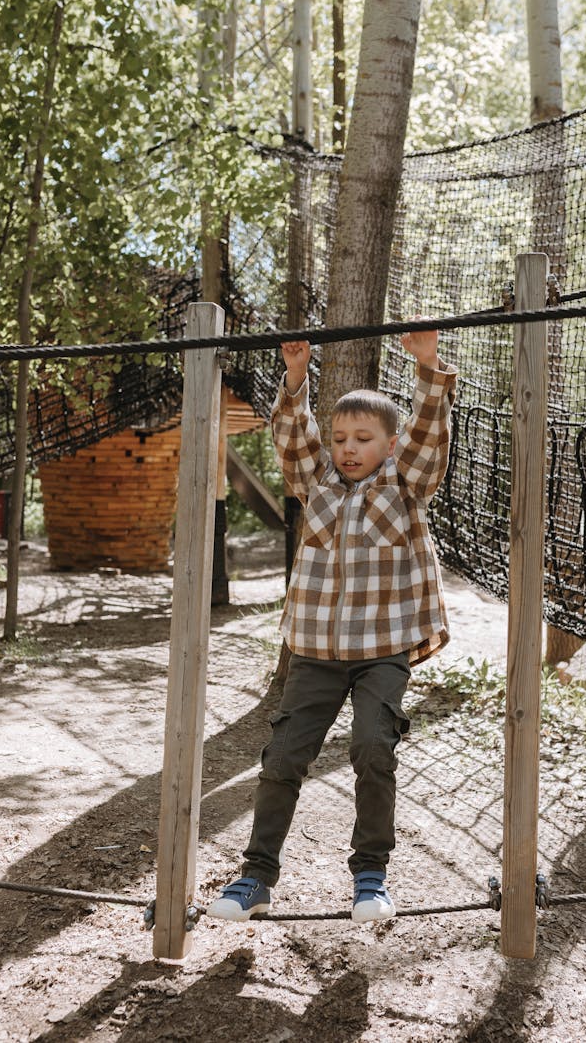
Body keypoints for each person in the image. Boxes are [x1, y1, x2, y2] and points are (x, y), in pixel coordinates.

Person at [208, 326, 457, 923]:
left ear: (389, 446)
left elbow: (429, 438)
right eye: (341, 437)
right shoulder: (315, 484)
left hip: (382, 649)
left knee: (373, 747)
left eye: (363, 439)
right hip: (316, 651)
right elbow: (295, 443)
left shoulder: (406, 486)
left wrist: (427, 366)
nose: (348, 448)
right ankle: (255, 877)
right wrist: (296, 378)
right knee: (283, 759)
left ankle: (371, 875)